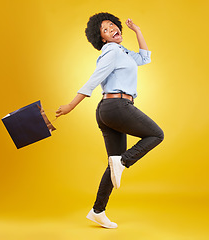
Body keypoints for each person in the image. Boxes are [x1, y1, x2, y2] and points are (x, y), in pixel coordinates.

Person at [56, 12, 164, 229]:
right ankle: (123, 161)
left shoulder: (122, 51)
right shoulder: (111, 51)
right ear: (102, 39)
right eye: (105, 29)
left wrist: (138, 31)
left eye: (112, 25)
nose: (112, 28)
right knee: (156, 135)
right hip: (116, 107)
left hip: (110, 110)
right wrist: (70, 105)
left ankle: (98, 210)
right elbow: (93, 79)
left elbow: (144, 58)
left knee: (113, 165)